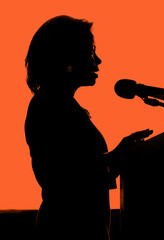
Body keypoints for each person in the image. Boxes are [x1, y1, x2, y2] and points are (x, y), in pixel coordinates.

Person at [24, 15, 153, 239]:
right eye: (91, 51)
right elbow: (63, 177)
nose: (98, 60)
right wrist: (114, 157)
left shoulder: (62, 105)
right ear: (67, 56)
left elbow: (84, 172)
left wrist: (121, 157)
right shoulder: (48, 106)